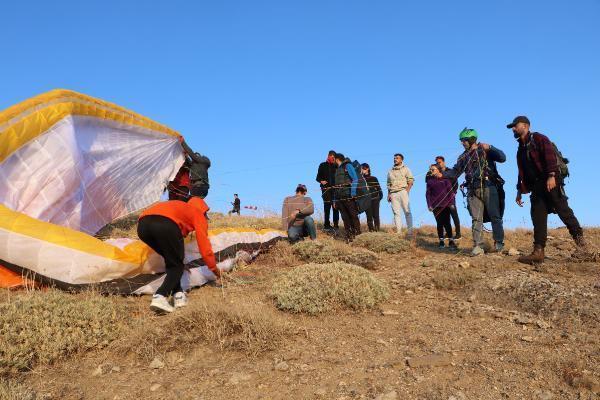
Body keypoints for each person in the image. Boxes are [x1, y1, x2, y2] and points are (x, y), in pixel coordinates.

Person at [507, 116, 587, 264]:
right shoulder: (521, 149)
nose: (513, 129)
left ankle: (583, 247)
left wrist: (551, 175)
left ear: (525, 126)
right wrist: (519, 190)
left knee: (564, 212)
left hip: (551, 182)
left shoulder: (539, 138)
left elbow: (549, 156)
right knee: (537, 217)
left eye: (515, 126)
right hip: (536, 187)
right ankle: (538, 252)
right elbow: (521, 172)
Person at [138, 197, 220, 314]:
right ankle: (160, 296)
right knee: (177, 266)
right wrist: (213, 268)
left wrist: (179, 262)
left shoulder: (179, 207)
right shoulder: (197, 213)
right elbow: (204, 244)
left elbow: (172, 256)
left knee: (173, 262)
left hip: (142, 226)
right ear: (203, 209)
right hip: (165, 224)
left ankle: (178, 295)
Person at [443, 128, 506, 256]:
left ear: (472, 139)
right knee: (476, 219)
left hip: (489, 186)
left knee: (495, 216)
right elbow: (455, 172)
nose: (462, 143)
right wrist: (442, 173)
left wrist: (491, 147)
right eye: (461, 141)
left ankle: (499, 243)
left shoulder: (485, 150)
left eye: (464, 140)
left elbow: (502, 158)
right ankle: (478, 246)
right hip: (472, 190)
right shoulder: (463, 156)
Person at [426, 164, 457, 249]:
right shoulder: (430, 181)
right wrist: (429, 205)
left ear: (438, 170)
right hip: (435, 206)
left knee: (447, 223)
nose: (431, 171)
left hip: (446, 205)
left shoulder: (446, 180)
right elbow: (428, 194)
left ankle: (451, 241)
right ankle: (441, 241)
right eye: (430, 170)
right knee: (439, 223)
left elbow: (450, 193)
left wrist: (451, 204)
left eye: (433, 169)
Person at [333, 153, 361, 241]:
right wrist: (334, 200)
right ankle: (348, 236)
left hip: (348, 195)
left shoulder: (347, 166)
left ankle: (357, 234)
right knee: (345, 218)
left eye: (334, 159)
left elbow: (355, 178)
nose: (333, 161)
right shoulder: (337, 170)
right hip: (339, 198)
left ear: (337, 159)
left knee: (353, 215)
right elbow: (336, 186)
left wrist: (353, 192)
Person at [387, 153, 414, 235]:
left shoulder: (406, 169)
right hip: (393, 193)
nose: (395, 159)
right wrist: (389, 194)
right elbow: (388, 184)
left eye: (397, 158)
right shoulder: (390, 171)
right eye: (394, 158)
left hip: (403, 191)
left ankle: (410, 232)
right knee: (396, 213)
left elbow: (411, 180)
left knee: (407, 211)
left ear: (401, 160)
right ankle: (399, 232)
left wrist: (407, 190)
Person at [434, 156, 461, 240]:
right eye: (437, 163)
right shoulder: (436, 173)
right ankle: (448, 233)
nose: (438, 164)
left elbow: (456, 182)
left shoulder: (450, 171)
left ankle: (458, 233)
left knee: (454, 214)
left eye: (440, 162)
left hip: (450, 196)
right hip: (441, 198)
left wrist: (454, 193)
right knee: (445, 216)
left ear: (444, 162)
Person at [315, 150, 339, 231]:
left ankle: (336, 225)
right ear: (328, 156)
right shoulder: (322, 165)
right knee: (327, 206)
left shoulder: (337, 166)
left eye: (334, 158)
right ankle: (327, 225)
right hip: (325, 189)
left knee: (335, 207)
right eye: (332, 158)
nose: (333, 159)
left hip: (335, 189)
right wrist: (322, 181)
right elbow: (317, 177)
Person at [361, 163, 383, 232]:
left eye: (363, 169)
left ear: (367, 169)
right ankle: (371, 230)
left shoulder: (373, 178)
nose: (362, 170)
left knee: (376, 215)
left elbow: (379, 189)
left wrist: (379, 197)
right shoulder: (361, 179)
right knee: (369, 216)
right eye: (361, 169)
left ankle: (377, 230)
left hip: (375, 199)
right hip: (366, 200)